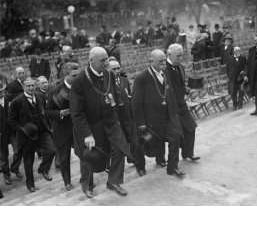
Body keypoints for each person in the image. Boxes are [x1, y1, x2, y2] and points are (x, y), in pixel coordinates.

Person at [70, 47, 130, 198]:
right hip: (91, 126)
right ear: (91, 60)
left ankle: (114, 181)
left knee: (120, 149)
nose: (106, 63)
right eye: (102, 60)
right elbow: (77, 113)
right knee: (90, 157)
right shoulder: (79, 81)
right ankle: (87, 185)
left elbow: (114, 97)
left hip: (110, 122)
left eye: (107, 59)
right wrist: (87, 135)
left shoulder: (109, 74)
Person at [131, 49, 185, 177]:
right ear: (151, 61)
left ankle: (172, 167)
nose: (163, 63)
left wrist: (174, 113)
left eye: (164, 61)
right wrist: (141, 123)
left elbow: (169, 94)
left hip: (166, 117)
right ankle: (140, 167)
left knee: (175, 137)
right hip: (150, 120)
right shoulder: (141, 78)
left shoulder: (165, 74)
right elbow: (136, 102)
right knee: (143, 144)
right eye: (160, 61)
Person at [8, 77, 56, 192]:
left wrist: (49, 127)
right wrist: (23, 129)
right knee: (28, 161)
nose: (31, 88)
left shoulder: (40, 96)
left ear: (35, 86)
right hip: (27, 136)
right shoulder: (17, 102)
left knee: (52, 150)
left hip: (42, 131)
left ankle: (43, 169)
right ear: (24, 87)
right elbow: (11, 120)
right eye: (28, 86)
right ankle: (30, 184)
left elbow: (45, 113)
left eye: (33, 85)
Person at [47, 62, 80, 191]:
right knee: (64, 158)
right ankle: (67, 182)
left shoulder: (81, 87)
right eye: (74, 75)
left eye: (78, 74)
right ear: (66, 75)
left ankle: (86, 178)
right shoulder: (55, 91)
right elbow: (48, 111)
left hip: (79, 127)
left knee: (84, 153)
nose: (78, 77)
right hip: (62, 129)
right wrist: (60, 113)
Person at [166, 44, 200, 161]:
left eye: (181, 56)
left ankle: (188, 153)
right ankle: (166, 160)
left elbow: (180, 84)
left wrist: (188, 90)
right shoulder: (164, 68)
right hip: (170, 108)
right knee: (176, 134)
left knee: (191, 127)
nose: (180, 59)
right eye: (178, 56)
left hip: (181, 104)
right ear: (169, 55)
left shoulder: (180, 67)